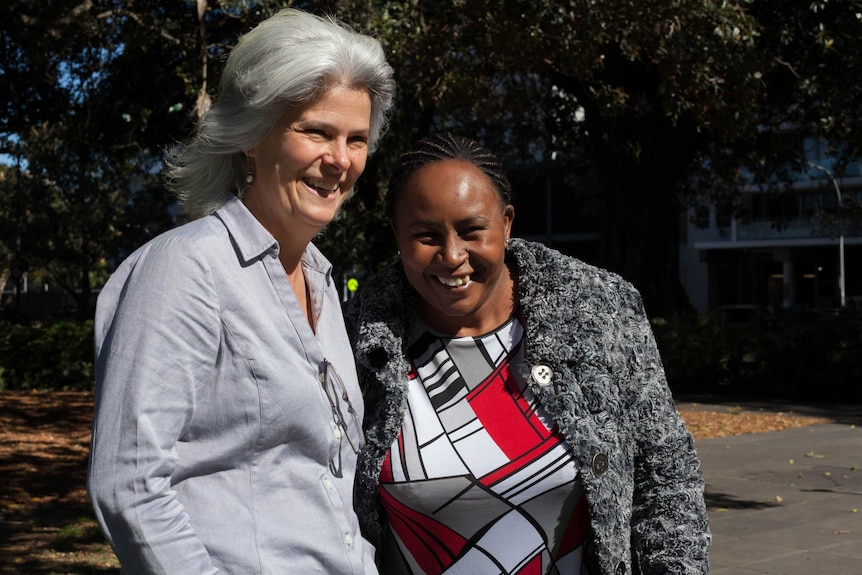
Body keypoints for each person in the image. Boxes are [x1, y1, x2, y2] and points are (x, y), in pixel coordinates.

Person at [87, 8, 395, 574]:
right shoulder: (185, 269)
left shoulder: (322, 280)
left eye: (356, 139)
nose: (340, 161)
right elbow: (128, 485)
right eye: (316, 131)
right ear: (251, 137)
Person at [345, 133, 710, 575]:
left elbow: (665, 477)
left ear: (507, 223)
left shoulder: (598, 309)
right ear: (396, 235)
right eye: (426, 235)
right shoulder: (355, 336)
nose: (452, 255)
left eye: (471, 230)